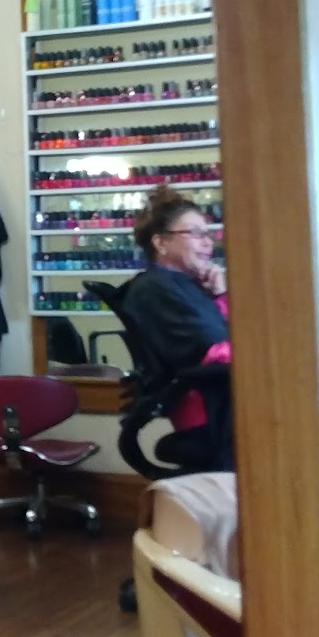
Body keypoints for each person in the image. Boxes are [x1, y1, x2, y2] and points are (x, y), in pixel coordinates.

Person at [119, 184, 233, 473]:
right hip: (213, 413)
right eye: (195, 233)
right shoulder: (155, 289)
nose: (208, 243)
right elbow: (217, 352)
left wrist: (218, 296)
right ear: (161, 242)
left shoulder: (186, 287)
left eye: (208, 234)